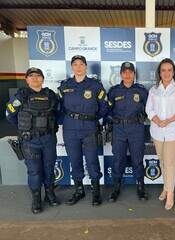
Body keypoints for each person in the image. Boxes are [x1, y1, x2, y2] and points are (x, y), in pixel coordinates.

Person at [6, 67, 60, 214]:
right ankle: (36, 199)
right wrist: (26, 128)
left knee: (49, 168)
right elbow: (10, 117)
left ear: (42, 79)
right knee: (35, 171)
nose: (35, 78)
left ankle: (49, 194)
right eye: (31, 76)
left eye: (38, 76)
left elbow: (58, 114)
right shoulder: (20, 96)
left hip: (48, 138)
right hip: (30, 141)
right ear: (27, 79)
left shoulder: (51, 95)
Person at [58, 55, 108, 206]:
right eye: (75, 64)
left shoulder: (95, 85)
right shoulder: (64, 86)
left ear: (86, 67)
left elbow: (104, 107)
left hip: (89, 128)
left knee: (92, 159)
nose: (78, 67)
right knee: (75, 160)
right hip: (70, 128)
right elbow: (59, 108)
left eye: (81, 64)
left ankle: (96, 192)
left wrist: (91, 118)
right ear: (72, 67)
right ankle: (79, 190)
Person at [146, 58, 175, 210]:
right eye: (163, 70)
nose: (166, 73)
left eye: (169, 70)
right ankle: (166, 187)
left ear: (174, 72)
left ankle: (170, 194)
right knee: (163, 162)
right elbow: (148, 110)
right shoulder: (153, 90)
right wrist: (158, 121)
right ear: (159, 72)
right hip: (157, 132)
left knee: (170, 163)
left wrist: (169, 120)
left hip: (173, 132)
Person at [106, 62, 148, 202]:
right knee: (118, 160)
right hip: (119, 130)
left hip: (136, 128)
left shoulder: (142, 91)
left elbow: (150, 109)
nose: (128, 75)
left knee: (137, 160)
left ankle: (140, 187)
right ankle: (116, 188)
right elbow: (107, 110)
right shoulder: (114, 91)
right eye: (125, 72)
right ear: (121, 74)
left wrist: (143, 117)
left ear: (134, 74)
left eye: (130, 72)